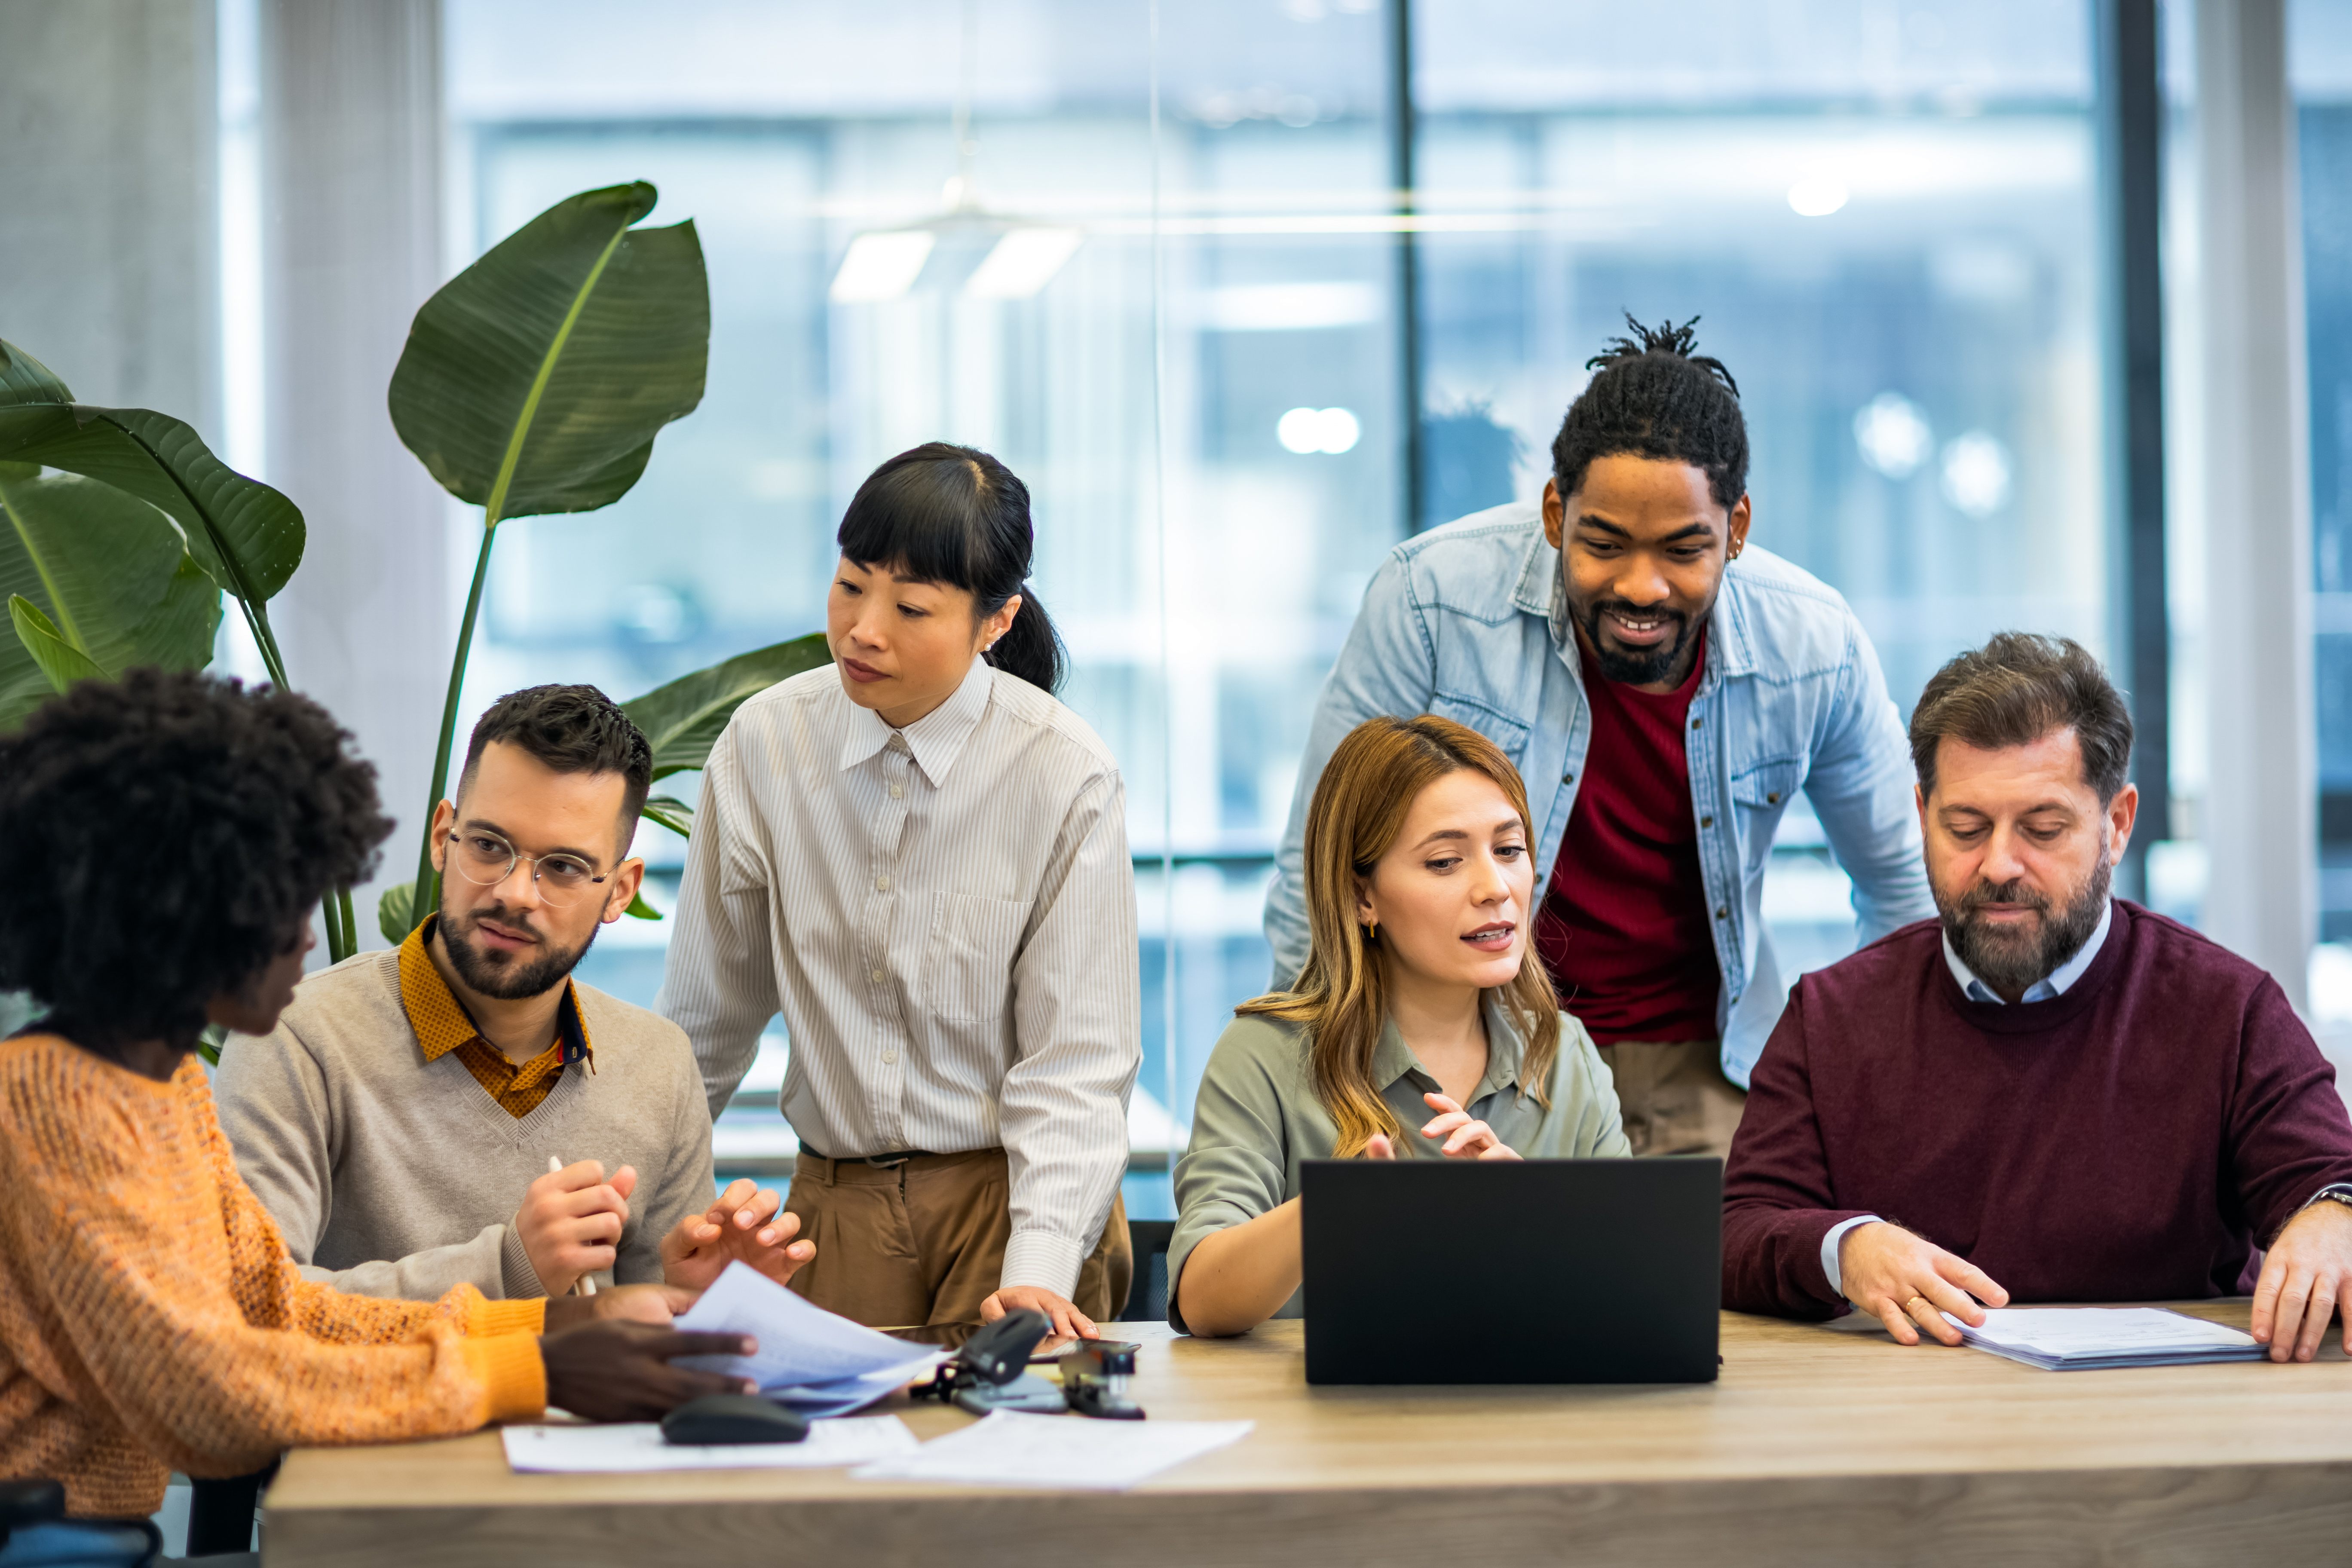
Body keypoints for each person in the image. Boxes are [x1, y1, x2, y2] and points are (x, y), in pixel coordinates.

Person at [0, 671, 757, 1558]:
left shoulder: (158, 1089)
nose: (309, 938)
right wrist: (533, 1366)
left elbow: (273, 1307)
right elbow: (208, 1397)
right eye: (285, 899)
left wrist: (548, 1325)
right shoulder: (54, 1105)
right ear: (188, 909)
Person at [1265, 317, 1933, 1160]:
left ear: (1736, 528)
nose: (1640, 586)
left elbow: (1903, 890)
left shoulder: (1813, 644)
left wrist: (1878, 1095)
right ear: (1555, 513)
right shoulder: (1431, 602)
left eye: (1684, 549)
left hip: (1708, 1072)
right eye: (1605, 544)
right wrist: (1333, 1099)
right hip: (1474, 1061)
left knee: (1718, 1292)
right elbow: (1318, 873)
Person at [1722, 634, 2352, 1363]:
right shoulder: (1831, 1015)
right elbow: (1739, 1232)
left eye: (2043, 830)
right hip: (1909, 1418)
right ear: (1922, 813)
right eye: (1965, 828)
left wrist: (2333, 1215)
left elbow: (2328, 1180)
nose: (1998, 865)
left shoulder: (2227, 1008)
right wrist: (1845, 1247)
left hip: (2166, 1416)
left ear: (2116, 825)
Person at [659, 442, 1140, 1341]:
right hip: (835, 1203)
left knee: (1009, 1467)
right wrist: (638, 1230)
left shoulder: (1062, 773)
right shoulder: (767, 743)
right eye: (850, 585)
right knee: (838, 1468)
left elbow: (1076, 1064)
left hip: (1014, 1201)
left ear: (996, 623)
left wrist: (1037, 1273)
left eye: (911, 607)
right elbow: (705, 1022)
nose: (862, 631)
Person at [215, 685, 809, 1304]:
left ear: (621, 891)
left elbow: (644, 1335)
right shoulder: (296, 1035)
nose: (516, 893)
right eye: (490, 847)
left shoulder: (658, 1064)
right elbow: (250, 1302)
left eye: (563, 868)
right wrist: (508, 1265)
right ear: (444, 836)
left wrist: (693, 1301)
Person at [1172, 715, 1629, 1338]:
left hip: (1524, 1419)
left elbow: (1628, 1295)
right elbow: (1202, 1300)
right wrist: (1336, 1206)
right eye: (1445, 861)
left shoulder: (1564, 1050)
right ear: (1364, 898)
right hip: (1324, 1426)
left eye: (1509, 849)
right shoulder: (1265, 1054)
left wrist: (1536, 1215)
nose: (1495, 888)